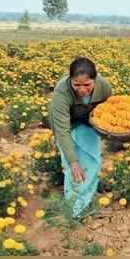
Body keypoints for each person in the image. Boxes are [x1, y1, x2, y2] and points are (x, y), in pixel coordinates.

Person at [49, 57, 112, 218]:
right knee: (73, 167)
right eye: (76, 85)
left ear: (95, 80)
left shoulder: (104, 87)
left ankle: (87, 198)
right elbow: (62, 130)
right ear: (70, 80)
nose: (82, 90)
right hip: (67, 125)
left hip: (88, 123)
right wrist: (73, 161)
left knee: (91, 161)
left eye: (87, 85)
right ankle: (75, 208)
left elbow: (109, 110)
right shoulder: (61, 93)